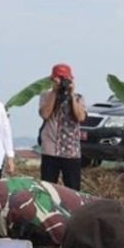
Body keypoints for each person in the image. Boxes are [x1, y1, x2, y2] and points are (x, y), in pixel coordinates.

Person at [38, 63, 87, 191]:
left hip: (71, 151)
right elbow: (45, 114)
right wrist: (55, 91)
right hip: (50, 150)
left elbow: (80, 117)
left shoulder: (78, 98)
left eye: (65, 79)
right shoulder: (45, 96)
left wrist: (71, 95)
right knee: (47, 189)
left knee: (73, 190)